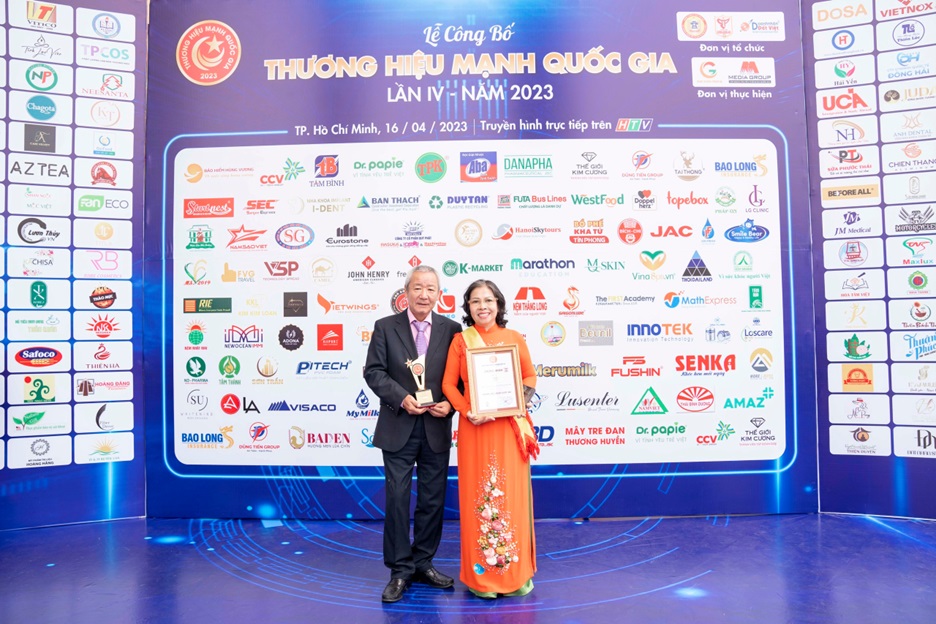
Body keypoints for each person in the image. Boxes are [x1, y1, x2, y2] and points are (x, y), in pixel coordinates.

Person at [364, 265, 462, 603]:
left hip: (436, 426)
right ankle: (400, 570)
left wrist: (451, 404)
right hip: (398, 425)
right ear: (405, 293)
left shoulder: (453, 329)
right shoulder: (385, 327)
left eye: (431, 289)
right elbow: (374, 372)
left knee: (433, 500)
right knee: (397, 499)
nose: (424, 294)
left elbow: (461, 378)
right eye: (417, 287)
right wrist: (402, 397)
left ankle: (423, 563)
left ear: (439, 295)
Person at [442, 279, 539, 599]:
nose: (482, 306)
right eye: (475, 301)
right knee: (478, 496)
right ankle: (481, 577)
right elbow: (448, 385)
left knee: (511, 495)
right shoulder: (460, 341)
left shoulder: (513, 338)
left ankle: (515, 576)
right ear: (468, 307)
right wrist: (467, 410)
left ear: (498, 304)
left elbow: (529, 376)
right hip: (476, 428)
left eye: (488, 300)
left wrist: (517, 400)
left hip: (508, 427)